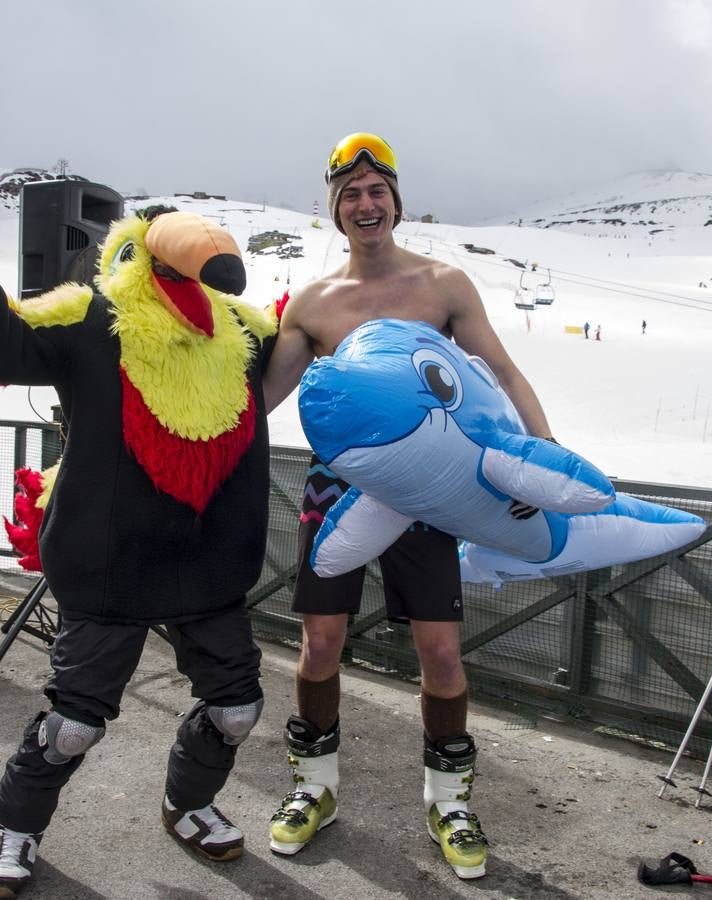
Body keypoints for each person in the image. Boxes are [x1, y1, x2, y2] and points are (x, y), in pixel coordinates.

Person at [0, 143, 277, 898]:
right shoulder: (92, 314)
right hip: (112, 562)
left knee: (237, 708)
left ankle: (189, 801)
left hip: (206, 563)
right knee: (74, 722)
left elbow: (314, 331)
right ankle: (15, 825)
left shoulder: (240, 329)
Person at [260, 132, 556, 881]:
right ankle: (314, 789)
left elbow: (502, 373)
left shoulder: (442, 286)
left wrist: (542, 458)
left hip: (426, 490)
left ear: (396, 201)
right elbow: (259, 401)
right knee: (320, 644)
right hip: (335, 490)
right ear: (334, 208)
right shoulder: (314, 303)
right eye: (350, 194)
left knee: (442, 652)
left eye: (376, 192)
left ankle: (448, 802)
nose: (365, 205)